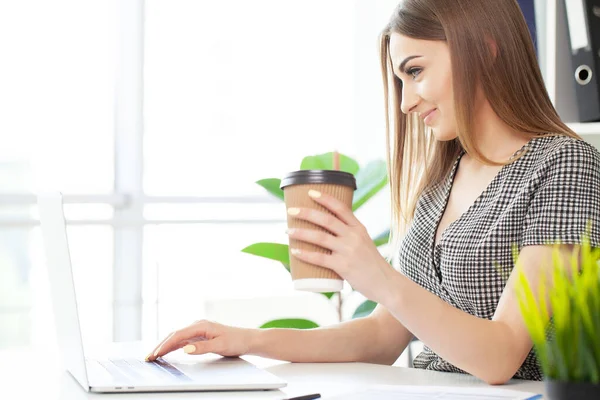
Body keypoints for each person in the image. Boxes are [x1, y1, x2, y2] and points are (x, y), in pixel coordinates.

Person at [146, 0, 600, 384]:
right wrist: (248, 340)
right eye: (401, 80)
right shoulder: (442, 180)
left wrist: (375, 273)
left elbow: (501, 355)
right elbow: (384, 336)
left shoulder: (563, 166)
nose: (405, 102)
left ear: (485, 48)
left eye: (416, 71)